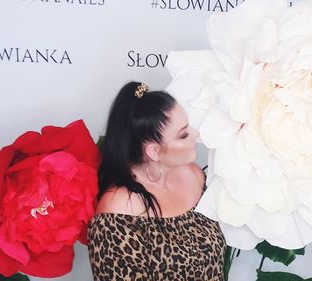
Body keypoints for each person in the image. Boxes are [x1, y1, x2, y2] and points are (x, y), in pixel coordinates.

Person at [88, 81, 227, 281]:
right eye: (184, 134)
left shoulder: (194, 175)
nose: (195, 136)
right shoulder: (119, 208)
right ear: (153, 151)